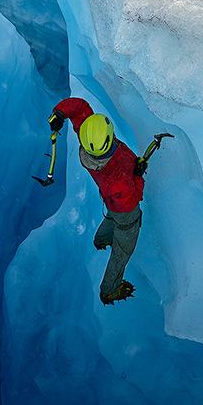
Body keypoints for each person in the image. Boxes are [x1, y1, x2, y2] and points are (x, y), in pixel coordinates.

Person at [48, 97, 144, 305]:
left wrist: (59, 113)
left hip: (111, 200)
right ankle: (109, 289)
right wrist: (137, 174)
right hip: (124, 209)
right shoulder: (117, 178)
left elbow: (80, 108)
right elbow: (134, 198)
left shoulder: (90, 139)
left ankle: (101, 240)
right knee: (123, 247)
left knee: (111, 213)